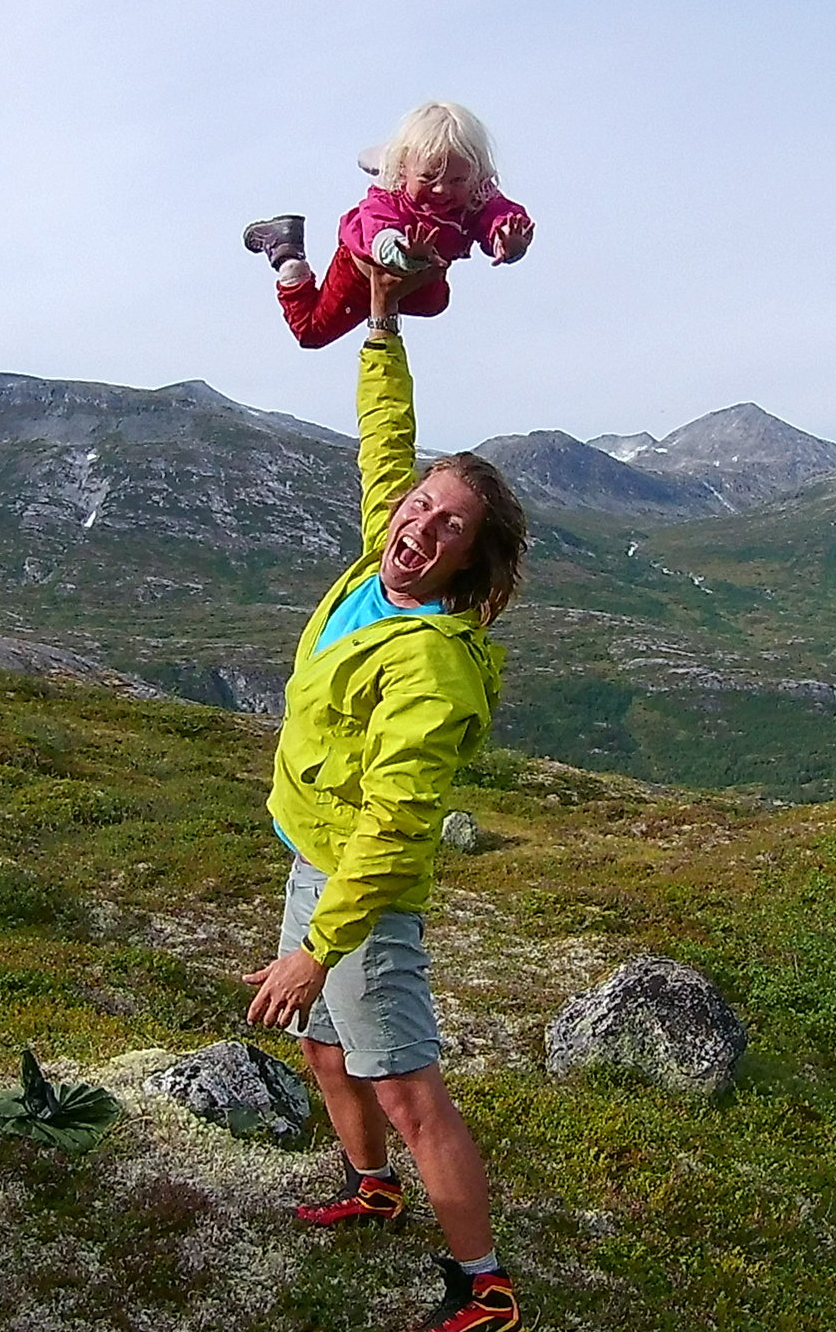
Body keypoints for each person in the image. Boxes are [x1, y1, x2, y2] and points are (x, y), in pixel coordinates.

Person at [242, 257, 530, 1332]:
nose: (418, 526)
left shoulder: (431, 661)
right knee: (323, 1045)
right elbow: (383, 441)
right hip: (311, 850)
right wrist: (377, 327)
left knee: (407, 1081)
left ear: (468, 562)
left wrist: (321, 940)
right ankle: (372, 1189)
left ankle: (482, 1283)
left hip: (362, 883)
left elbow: (398, 816)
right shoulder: (378, 558)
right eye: (421, 504)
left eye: (447, 526)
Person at [241, 101, 536, 349]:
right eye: (428, 178)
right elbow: (380, 234)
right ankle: (287, 253)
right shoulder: (386, 198)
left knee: (436, 302)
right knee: (311, 333)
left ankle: (400, 167)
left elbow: (497, 215)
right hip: (359, 272)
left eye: (456, 180)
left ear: (475, 174)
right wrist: (405, 252)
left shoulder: (475, 194)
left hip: (424, 269)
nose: (442, 190)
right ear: (403, 171)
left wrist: (506, 240)